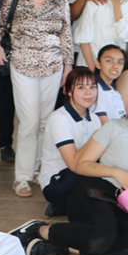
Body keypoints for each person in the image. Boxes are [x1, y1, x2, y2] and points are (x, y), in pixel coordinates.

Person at [9, 81, 128, 255]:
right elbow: (81, 164)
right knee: (101, 239)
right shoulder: (114, 127)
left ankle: (60, 247)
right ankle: (40, 229)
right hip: (97, 191)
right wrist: (116, 172)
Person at [0, 0, 73, 197]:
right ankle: (22, 177)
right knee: (28, 121)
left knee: (46, 122)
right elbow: (1, 27)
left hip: (52, 67)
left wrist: (68, 68)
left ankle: (40, 169)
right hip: (22, 66)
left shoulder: (60, 2)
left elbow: (66, 36)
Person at [38, 67, 101, 217]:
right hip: (58, 182)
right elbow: (74, 164)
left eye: (92, 87)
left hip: (82, 173)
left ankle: (73, 206)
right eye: (81, 87)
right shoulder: (59, 119)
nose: (88, 92)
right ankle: (64, 204)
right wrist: (97, 137)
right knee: (92, 175)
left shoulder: (95, 118)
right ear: (68, 91)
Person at [92, 45, 126, 123]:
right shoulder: (95, 89)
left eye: (120, 62)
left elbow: (123, 122)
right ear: (98, 63)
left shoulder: (116, 93)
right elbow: (104, 126)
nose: (115, 66)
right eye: (109, 61)